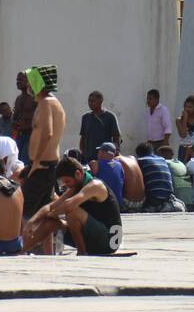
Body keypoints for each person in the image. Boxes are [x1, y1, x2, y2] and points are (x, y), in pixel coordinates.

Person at [24, 157, 122, 256]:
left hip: (109, 242)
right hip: (93, 238)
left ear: (78, 174)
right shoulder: (75, 187)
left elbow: (69, 205)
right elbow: (50, 207)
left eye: (67, 182)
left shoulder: (96, 186)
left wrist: (52, 213)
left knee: (72, 211)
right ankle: (21, 251)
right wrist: (32, 222)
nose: (66, 185)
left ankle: (82, 252)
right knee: (50, 222)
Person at [21, 66, 66, 221]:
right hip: (43, 164)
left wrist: (37, 162)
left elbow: (48, 133)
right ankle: (49, 244)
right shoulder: (46, 102)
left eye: (30, 83)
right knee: (45, 210)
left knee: (23, 207)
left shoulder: (47, 102)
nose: (27, 87)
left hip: (42, 165)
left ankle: (21, 243)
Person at [136, 142, 182, 212]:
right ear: (152, 152)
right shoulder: (162, 160)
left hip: (152, 198)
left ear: (138, 154)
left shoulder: (140, 161)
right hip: (168, 196)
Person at [78, 92, 121, 162]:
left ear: (100, 101)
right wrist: (83, 152)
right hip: (89, 158)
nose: (90, 103)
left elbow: (116, 137)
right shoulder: (85, 117)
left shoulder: (110, 117)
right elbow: (83, 137)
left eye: (93, 101)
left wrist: (116, 152)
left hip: (105, 157)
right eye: (89, 101)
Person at [12, 72, 37, 165]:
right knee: (17, 162)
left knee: (26, 163)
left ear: (28, 81)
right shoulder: (18, 99)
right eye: (17, 80)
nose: (18, 82)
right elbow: (15, 118)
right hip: (20, 136)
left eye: (20, 80)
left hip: (31, 135)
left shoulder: (34, 98)